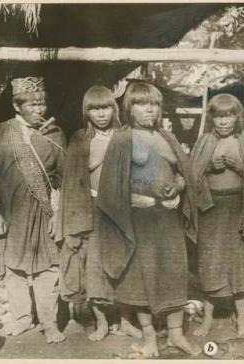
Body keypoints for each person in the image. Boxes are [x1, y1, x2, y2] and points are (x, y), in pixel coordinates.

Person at [96, 81, 200, 357]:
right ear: (130, 107)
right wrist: (136, 199)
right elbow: (110, 184)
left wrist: (178, 190)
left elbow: (183, 174)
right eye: (142, 104)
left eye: (154, 104)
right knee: (143, 278)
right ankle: (150, 338)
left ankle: (176, 335)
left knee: (174, 274)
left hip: (167, 218)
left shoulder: (167, 137)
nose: (149, 110)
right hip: (138, 221)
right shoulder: (123, 138)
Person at [0, 76, 66, 343]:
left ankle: (49, 323)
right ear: (17, 106)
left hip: (44, 212)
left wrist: (58, 212)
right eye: (32, 104)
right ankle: (22, 318)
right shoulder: (1, 132)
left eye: (42, 104)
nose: (39, 109)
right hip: (10, 212)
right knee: (13, 266)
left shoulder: (55, 134)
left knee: (48, 267)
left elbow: (65, 177)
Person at [56, 85, 141, 341]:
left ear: (113, 108)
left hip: (122, 209)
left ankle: (126, 320)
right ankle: (101, 322)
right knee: (93, 268)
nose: (101, 114)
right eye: (94, 108)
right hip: (90, 210)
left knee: (125, 264)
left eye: (105, 107)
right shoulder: (80, 138)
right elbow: (71, 179)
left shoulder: (126, 135)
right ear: (87, 112)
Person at [190, 94, 244, 339]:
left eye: (228, 115)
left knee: (239, 263)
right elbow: (192, 176)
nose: (223, 122)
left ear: (237, 117)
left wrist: (239, 167)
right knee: (210, 264)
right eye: (218, 116)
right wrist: (209, 168)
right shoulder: (204, 141)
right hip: (210, 210)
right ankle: (207, 320)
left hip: (238, 209)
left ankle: (242, 320)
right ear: (211, 118)